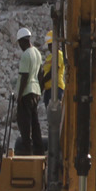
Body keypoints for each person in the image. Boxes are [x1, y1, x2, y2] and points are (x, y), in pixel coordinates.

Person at [14, 28, 45, 156]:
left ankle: (27, 148)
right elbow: (41, 74)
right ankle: (39, 148)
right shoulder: (37, 53)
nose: (20, 46)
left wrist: (19, 96)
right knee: (35, 122)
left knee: (24, 122)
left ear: (22, 41)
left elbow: (24, 77)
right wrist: (39, 91)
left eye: (19, 43)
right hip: (36, 91)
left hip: (27, 92)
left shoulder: (26, 54)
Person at [40, 30, 65, 106]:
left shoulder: (59, 54)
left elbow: (53, 71)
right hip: (48, 89)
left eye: (51, 44)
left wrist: (42, 81)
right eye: (49, 45)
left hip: (56, 89)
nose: (50, 47)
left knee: (55, 114)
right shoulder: (49, 57)